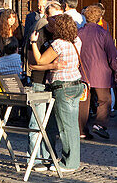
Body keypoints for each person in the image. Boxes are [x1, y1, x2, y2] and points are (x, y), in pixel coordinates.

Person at [29, 13, 83, 173]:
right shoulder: (76, 40)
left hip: (62, 86)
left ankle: (69, 163)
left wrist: (33, 42)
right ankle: (70, 159)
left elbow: (40, 60)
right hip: (76, 84)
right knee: (72, 125)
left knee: (66, 127)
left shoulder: (59, 44)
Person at [25, 1, 64, 170]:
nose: (57, 20)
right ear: (47, 17)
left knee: (52, 124)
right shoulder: (38, 35)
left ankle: (49, 156)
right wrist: (50, 65)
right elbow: (32, 63)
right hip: (39, 82)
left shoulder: (62, 35)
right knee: (36, 122)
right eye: (54, 17)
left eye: (60, 17)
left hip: (56, 83)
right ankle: (34, 158)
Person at [77, 5, 117, 140]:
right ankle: (99, 124)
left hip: (82, 72)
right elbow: (112, 55)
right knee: (105, 100)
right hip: (101, 73)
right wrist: (116, 70)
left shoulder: (78, 33)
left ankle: (82, 130)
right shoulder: (103, 33)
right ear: (100, 18)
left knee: (83, 102)